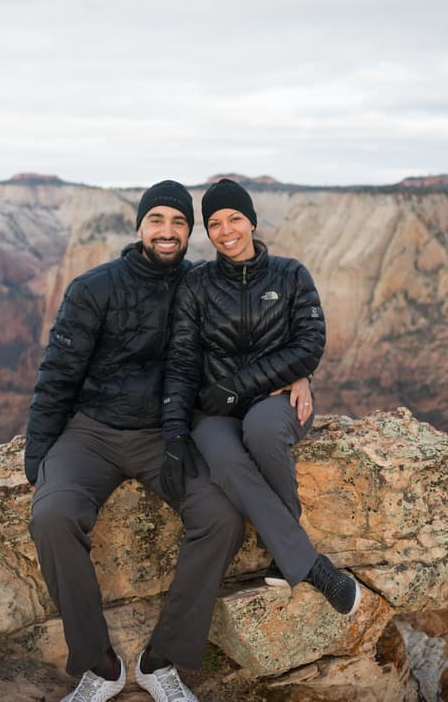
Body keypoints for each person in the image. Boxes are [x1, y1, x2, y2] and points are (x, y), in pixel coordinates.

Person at [26, 180, 245, 702]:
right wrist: (38, 456)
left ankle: (160, 659)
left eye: (178, 223)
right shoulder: (94, 288)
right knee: (52, 517)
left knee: (221, 519)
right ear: (140, 225)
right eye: (157, 220)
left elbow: (257, 339)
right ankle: (99, 665)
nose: (167, 232)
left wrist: (300, 376)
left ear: (190, 232)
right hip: (92, 433)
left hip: (168, 436)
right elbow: (57, 374)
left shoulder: (204, 285)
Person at [161, 178, 361, 617]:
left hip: (273, 400)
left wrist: (256, 382)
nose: (226, 230)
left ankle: (288, 554)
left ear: (251, 221)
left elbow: (309, 344)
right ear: (207, 233)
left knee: (263, 429)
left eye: (234, 218)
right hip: (212, 409)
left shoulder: (291, 274)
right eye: (214, 223)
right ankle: (306, 563)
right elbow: (180, 360)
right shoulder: (197, 285)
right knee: (226, 460)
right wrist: (175, 428)